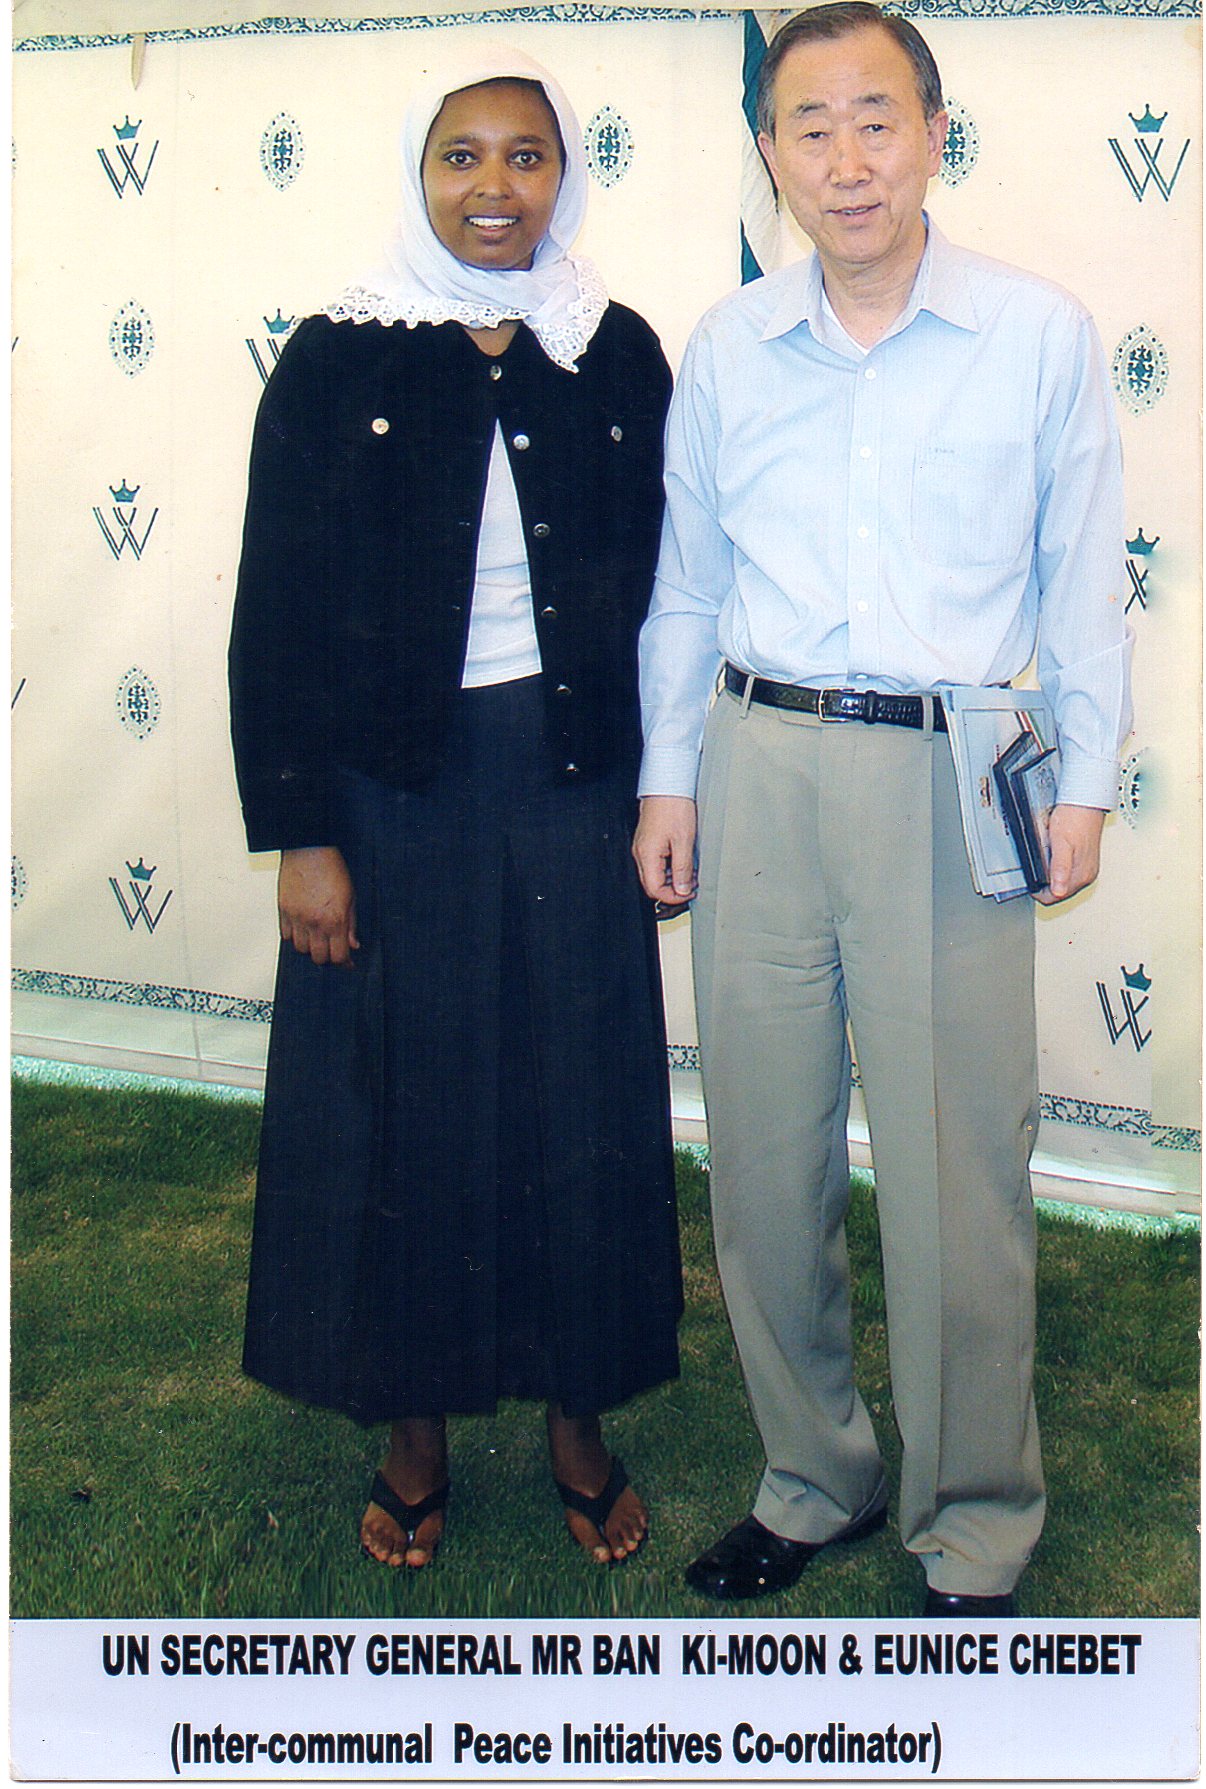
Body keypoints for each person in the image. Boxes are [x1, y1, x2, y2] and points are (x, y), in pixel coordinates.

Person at [634, 2, 1131, 1614]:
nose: (845, 161)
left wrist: (1086, 780)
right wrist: (667, 777)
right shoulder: (729, 345)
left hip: (949, 775)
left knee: (952, 1168)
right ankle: (812, 1474)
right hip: (757, 762)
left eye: (875, 120)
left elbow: (1082, 578)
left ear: (932, 133)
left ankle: (972, 1518)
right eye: (809, 127)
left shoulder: (1034, 333)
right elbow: (686, 583)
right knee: (762, 1155)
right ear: (768, 153)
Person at [229, 46, 681, 1571]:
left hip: (570, 780)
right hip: (389, 793)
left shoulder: (612, 350)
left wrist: (665, 786)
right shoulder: (333, 356)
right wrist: (304, 834)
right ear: (418, 177)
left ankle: (577, 1418)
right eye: (461, 156)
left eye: (525, 156)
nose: (495, 188)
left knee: (578, 1104)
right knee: (398, 1108)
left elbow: (674, 586)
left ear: (565, 178)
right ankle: (410, 1426)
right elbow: (274, 608)